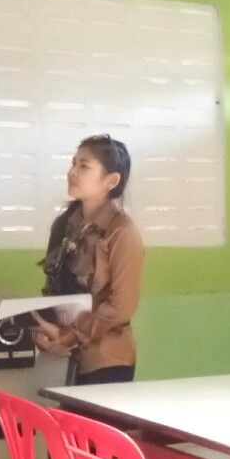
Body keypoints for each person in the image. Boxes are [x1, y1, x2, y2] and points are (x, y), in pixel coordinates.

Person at [33, 134, 144, 384]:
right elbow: (52, 292)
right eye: (73, 163)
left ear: (111, 180)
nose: (72, 172)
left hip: (106, 361)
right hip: (60, 357)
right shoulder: (63, 226)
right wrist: (42, 334)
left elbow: (122, 306)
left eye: (84, 166)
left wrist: (71, 335)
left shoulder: (122, 232)